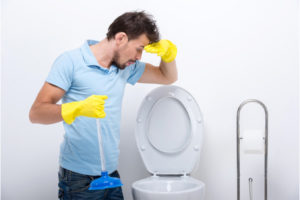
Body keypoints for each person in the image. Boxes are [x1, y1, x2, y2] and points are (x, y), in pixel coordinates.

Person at [29, 11, 177, 200]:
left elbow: (167, 77)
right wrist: (76, 108)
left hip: (111, 175)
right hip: (79, 179)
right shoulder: (71, 62)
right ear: (121, 38)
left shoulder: (125, 67)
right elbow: (36, 113)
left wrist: (168, 55)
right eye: (139, 48)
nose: (140, 57)